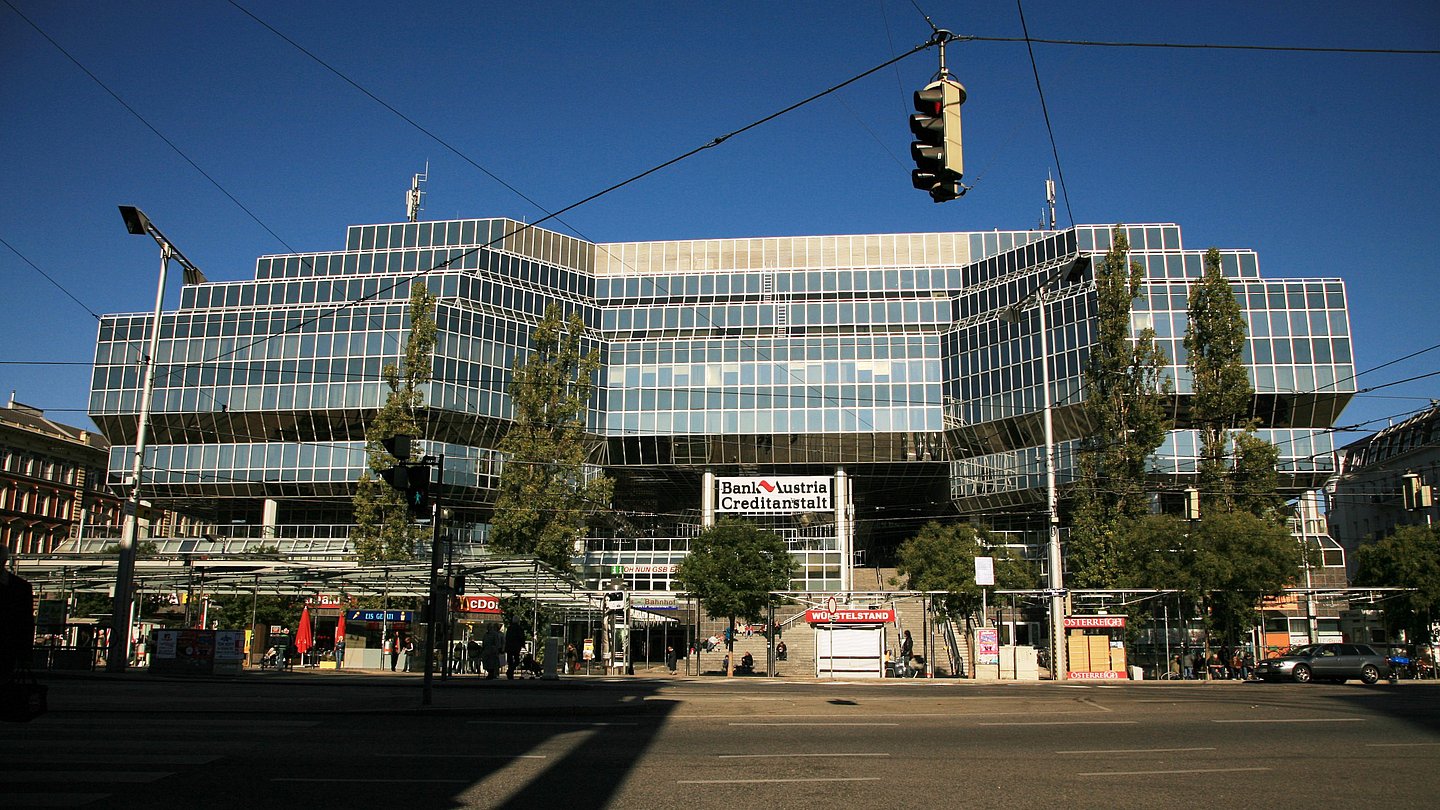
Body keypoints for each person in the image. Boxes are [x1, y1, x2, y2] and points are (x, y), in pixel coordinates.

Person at [1, 545, 36, 682]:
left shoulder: (20, 588)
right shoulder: (20, 587)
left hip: (5, 650)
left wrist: (25, 655)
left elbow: (26, 623)